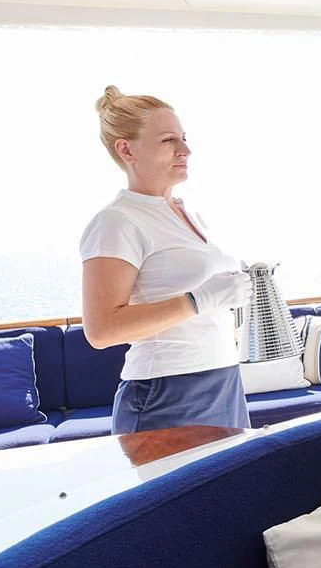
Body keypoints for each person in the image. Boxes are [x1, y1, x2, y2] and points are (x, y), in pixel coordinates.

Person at [79, 86, 253, 434]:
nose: (185, 149)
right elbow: (101, 331)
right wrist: (199, 299)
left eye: (184, 137)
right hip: (166, 393)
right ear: (126, 149)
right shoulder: (117, 221)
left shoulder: (189, 214)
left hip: (224, 380)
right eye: (168, 140)